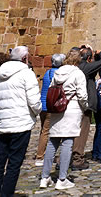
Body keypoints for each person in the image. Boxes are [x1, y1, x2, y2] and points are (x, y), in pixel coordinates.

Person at [0, 45, 41, 197]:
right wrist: (35, 112)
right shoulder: (27, 74)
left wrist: (4, 114)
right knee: (14, 164)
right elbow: (34, 102)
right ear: (25, 58)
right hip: (21, 124)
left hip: (4, 124)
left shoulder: (0, 75)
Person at [39, 47, 89, 191]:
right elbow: (82, 95)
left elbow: (52, 89)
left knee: (52, 142)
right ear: (78, 60)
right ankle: (62, 178)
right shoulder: (78, 73)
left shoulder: (58, 72)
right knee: (67, 143)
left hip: (56, 109)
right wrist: (84, 106)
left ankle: (45, 177)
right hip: (71, 109)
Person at [70, 45, 101, 170]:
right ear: (88, 58)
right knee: (81, 133)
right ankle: (77, 159)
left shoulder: (74, 67)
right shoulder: (84, 67)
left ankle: (67, 157)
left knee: (71, 132)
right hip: (83, 106)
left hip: (73, 105)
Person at [35, 53, 66, 166]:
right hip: (50, 106)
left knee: (43, 131)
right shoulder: (58, 74)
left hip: (43, 105)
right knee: (47, 132)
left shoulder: (48, 72)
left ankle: (42, 153)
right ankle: (40, 157)